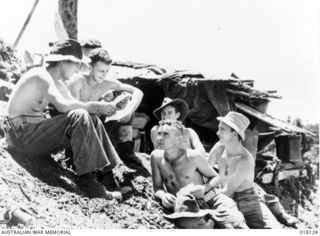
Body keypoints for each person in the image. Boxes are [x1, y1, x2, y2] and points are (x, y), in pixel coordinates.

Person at [6, 39, 123, 200]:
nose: (77, 70)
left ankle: (106, 176)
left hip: (33, 137)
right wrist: (95, 105)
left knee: (91, 117)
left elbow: (78, 105)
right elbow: (63, 106)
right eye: (76, 64)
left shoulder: (56, 82)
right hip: (21, 138)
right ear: (63, 62)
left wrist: (97, 108)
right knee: (80, 115)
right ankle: (88, 182)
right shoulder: (40, 75)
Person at [151, 119, 248, 229]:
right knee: (189, 224)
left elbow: (216, 177)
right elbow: (157, 187)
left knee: (235, 222)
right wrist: (163, 196)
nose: (160, 138)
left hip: (210, 198)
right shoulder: (156, 157)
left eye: (166, 134)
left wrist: (203, 188)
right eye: (159, 133)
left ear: (178, 139)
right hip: (186, 205)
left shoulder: (193, 156)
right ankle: (209, 224)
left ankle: (215, 221)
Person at [67, 47, 144, 168]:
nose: (104, 75)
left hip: (95, 127)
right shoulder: (78, 80)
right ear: (90, 68)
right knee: (90, 115)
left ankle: (126, 152)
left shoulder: (105, 82)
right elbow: (71, 109)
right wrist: (97, 106)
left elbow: (137, 92)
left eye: (107, 71)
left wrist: (129, 111)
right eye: (101, 71)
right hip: (73, 130)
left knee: (125, 101)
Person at [208, 111, 281, 228]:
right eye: (218, 128)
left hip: (248, 203)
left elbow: (227, 191)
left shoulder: (245, 160)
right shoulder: (219, 147)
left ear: (235, 134)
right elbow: (206, 167)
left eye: (222, 129)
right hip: (226, 199)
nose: (217, 132)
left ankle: (279, 213)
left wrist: (203, 195)